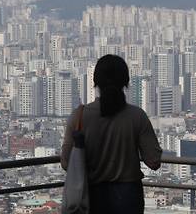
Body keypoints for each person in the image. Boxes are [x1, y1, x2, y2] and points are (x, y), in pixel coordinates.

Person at [61, 54, 162, 214]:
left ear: (95, 82)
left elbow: (66, 162)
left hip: (90, 196)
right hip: (128, 197)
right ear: (126, 82)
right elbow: (154, 162)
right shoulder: (137, 116)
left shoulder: (79, 116)